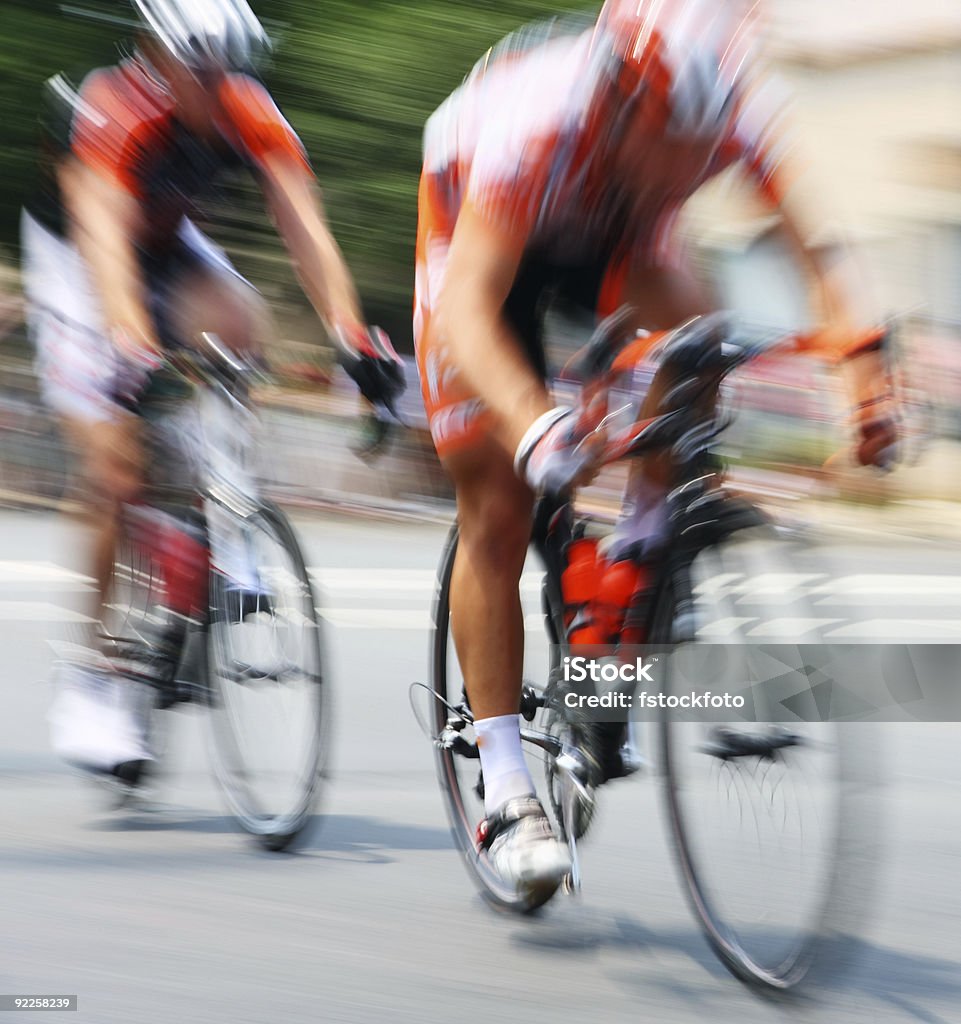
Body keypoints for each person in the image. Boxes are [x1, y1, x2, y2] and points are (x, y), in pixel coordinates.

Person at [413, 0, 896, 905]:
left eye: (701, 143)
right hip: (484, 234)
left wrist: (864, 362)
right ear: (624, 96)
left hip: (611, 228)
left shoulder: (725, 112)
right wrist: (532, 423)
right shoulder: (537, 123)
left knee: (698, 339)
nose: (690, 163)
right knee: (500, 498)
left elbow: (820, 244)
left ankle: (632, 561)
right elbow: (467, 312)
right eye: (673, 137)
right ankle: (507, 786)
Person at [21, 0, 403, 785]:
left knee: (241, 322)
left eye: (229, 70)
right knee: (116, 466)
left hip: (167, 243)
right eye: (200, 69)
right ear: (157, 57)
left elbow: (306, 229)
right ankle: (95, 674)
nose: (216, 84)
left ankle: (226, 517)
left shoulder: (246, 110)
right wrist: (131, 343)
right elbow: (102, 241)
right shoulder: (114, 112)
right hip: (80, 256)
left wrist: (353, 338)